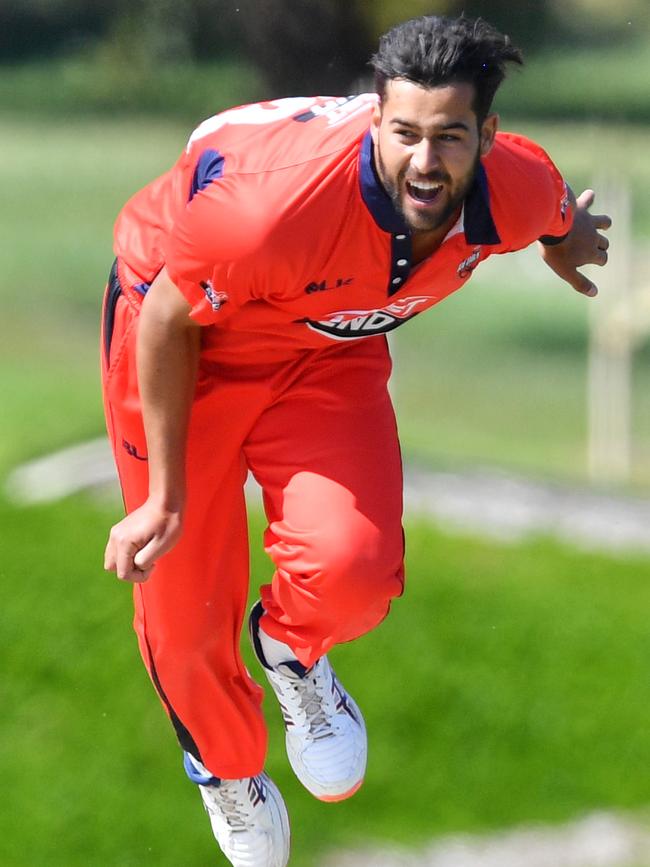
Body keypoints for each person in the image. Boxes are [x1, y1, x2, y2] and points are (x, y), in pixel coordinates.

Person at [102, 14, 611, 867]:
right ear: (374, 116)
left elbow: (555, 216)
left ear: (486, 134)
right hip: (190, 335)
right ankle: (225, 770)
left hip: (322, 353)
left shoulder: (515, 187)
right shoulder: (270, 213)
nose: (424, 161)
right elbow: (164, 317)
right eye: (403, 132)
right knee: (182, 602)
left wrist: (567, 246)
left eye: (449, 137)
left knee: (356, 569)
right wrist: (165, 497)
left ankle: (293, 650)